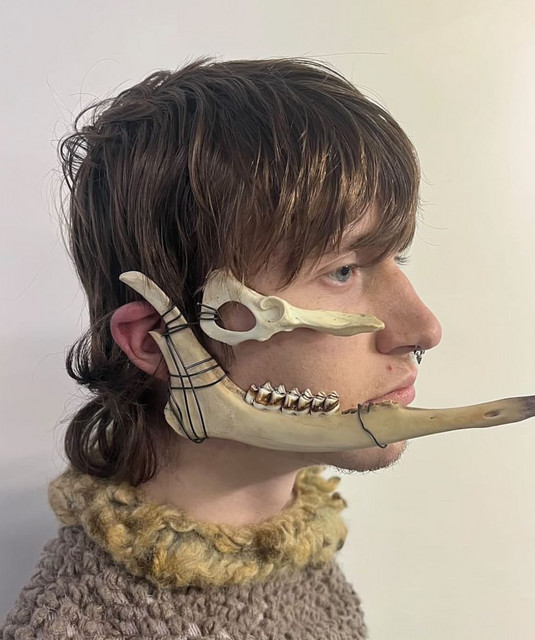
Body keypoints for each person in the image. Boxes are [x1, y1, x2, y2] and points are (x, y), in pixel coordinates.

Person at [1, 56, 442, 639]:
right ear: (158, 341)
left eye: (395, 258)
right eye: (341, 270)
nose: (423, 329)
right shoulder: (81, 626)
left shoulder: (306, 566)